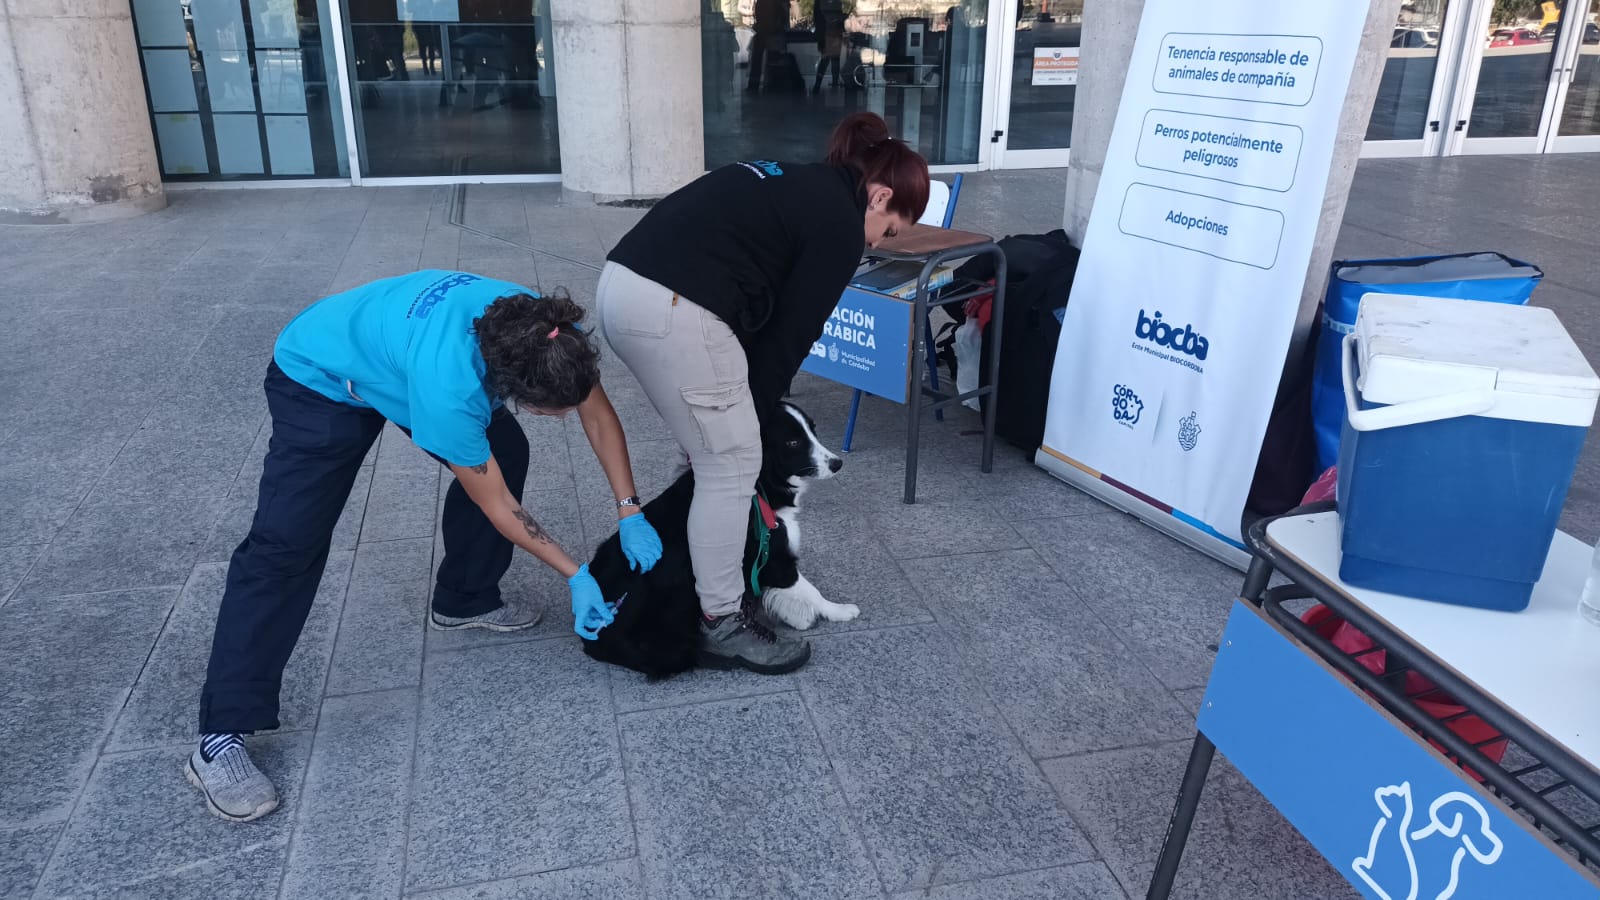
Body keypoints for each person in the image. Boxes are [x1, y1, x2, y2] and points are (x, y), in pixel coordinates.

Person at [188, 271, 663, 822]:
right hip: (323, 373)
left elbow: (597, 414)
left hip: (398, 352)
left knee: (505, 450)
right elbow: (496, 503)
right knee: (285, 544)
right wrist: (575, 573)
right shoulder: (450, 393)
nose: (562, 419)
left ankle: (465, 598)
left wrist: (630, 510)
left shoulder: (552, 331)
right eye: (551, 412)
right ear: (508, 385)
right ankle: (221, 734)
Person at [597, 112, 929, 674]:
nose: (878, 242)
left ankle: (694, 572)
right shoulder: (841, 224)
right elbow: (791, 336)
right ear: (879, 197)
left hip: (623, 288)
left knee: (714, 453)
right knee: (732, 465)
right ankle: (720, 619)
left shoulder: (799, 182)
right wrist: (754, 422)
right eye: (890, 229)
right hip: (673, 308)